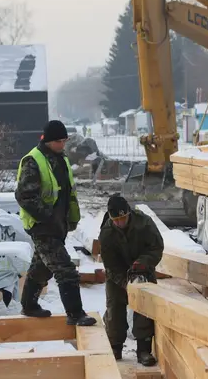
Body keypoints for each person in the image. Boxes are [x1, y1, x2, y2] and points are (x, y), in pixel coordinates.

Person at [15, 120, 96, 327]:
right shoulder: (33, 161)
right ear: (48, 140)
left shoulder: (60, 159)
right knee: (65, 269)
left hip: (57, 225)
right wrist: (47, 217)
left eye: (64, 140)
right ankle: (75, 313)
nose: (63, 144)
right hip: (42, 226)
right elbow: (24, 196)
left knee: (42, 268)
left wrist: (70, 219)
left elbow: (67, 192)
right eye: (59, 141)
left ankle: (29, 305)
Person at [99, 196, 164, 366]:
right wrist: (124, 282)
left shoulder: (145, 223)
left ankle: (143, 349)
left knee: (145, 308)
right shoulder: (106, 233)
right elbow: (110, 265)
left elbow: (156, 248)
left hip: (143, 269)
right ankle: (115, 346)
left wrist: (144, 262)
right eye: (116, 220)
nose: (120, 222)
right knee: (115, 308)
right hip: (117, 274)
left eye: (123, 218)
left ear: (129, 213)